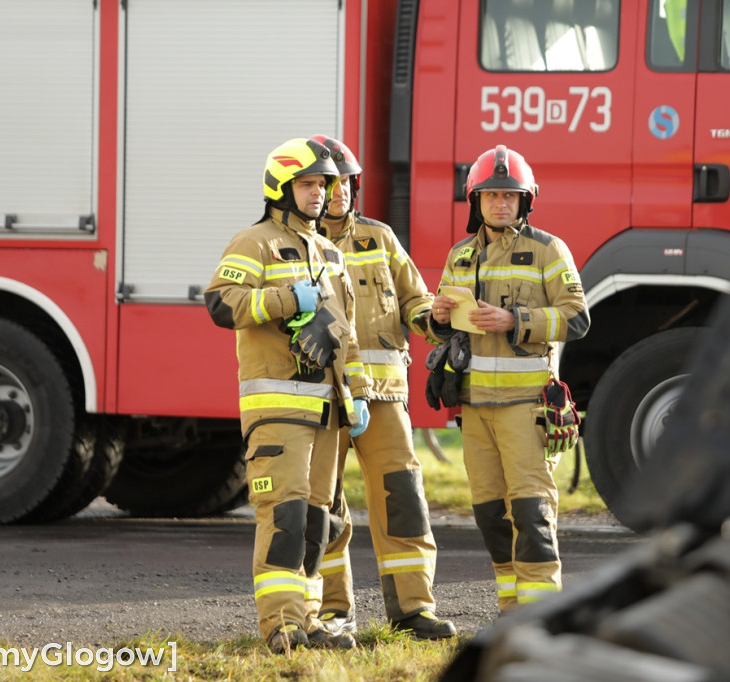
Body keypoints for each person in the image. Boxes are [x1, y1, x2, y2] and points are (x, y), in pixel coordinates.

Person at [204, 138, 372, 653]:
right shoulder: (254, 242)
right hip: (277, 409)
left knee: (318, 522)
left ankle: (310, 620)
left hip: (327, 412)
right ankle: (280, 626)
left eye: (323, 184)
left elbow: (346, 332)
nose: (319, 193)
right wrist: (285, 298)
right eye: (307, 184)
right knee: (285, 515)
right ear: (281, 188)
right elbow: (219, 303)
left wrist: (359, 393)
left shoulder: (327, 251)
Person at [428, 145, 589, 613]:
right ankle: (511, 610)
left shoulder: (547, 249)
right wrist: (439, 317)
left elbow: (576, 318)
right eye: (491, 194)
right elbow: (446, 324)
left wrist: (516, 320)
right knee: (490, 515)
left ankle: (540, 617)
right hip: (475, 407)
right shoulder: (459, 255)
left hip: (525, 406)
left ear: (526, 200)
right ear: (474, 200)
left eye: (510, 195)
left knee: (532, 512)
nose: (500, 203)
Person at [310, 134, 456, 640]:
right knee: (324, 505)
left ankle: (413, 610)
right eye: (330, 184)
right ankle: (332, 612)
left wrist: (435, 317)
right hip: (322, 398)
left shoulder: (381, 238)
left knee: (403, 499)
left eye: (348, 183)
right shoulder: (292, 245)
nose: (341, 193)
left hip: (385, 396)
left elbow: (415, 303)